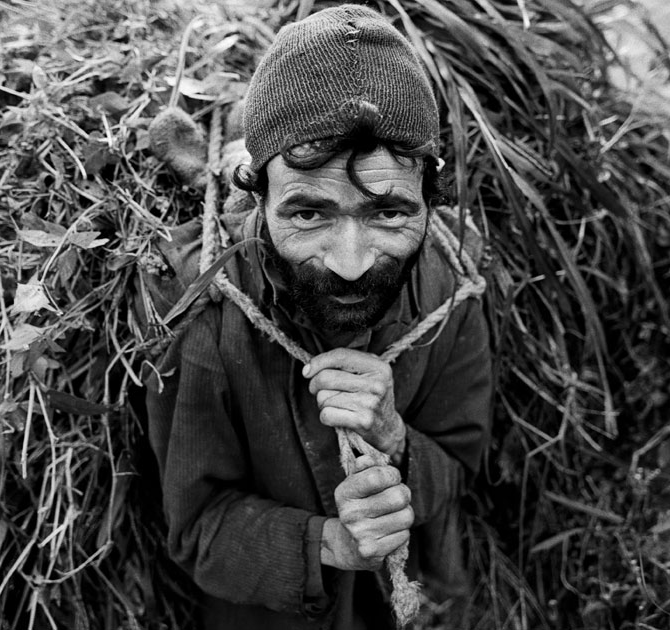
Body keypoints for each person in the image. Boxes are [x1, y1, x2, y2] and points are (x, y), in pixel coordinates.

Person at [143, 5, 492, 629]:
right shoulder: (202, 308)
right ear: (258, 197)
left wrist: (394, 437)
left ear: (429, 201)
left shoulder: (451, 287)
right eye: (309, 215)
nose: (352, 265)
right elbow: (197, 529)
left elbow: (462, 463)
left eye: (388, 214)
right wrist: (330, 544)